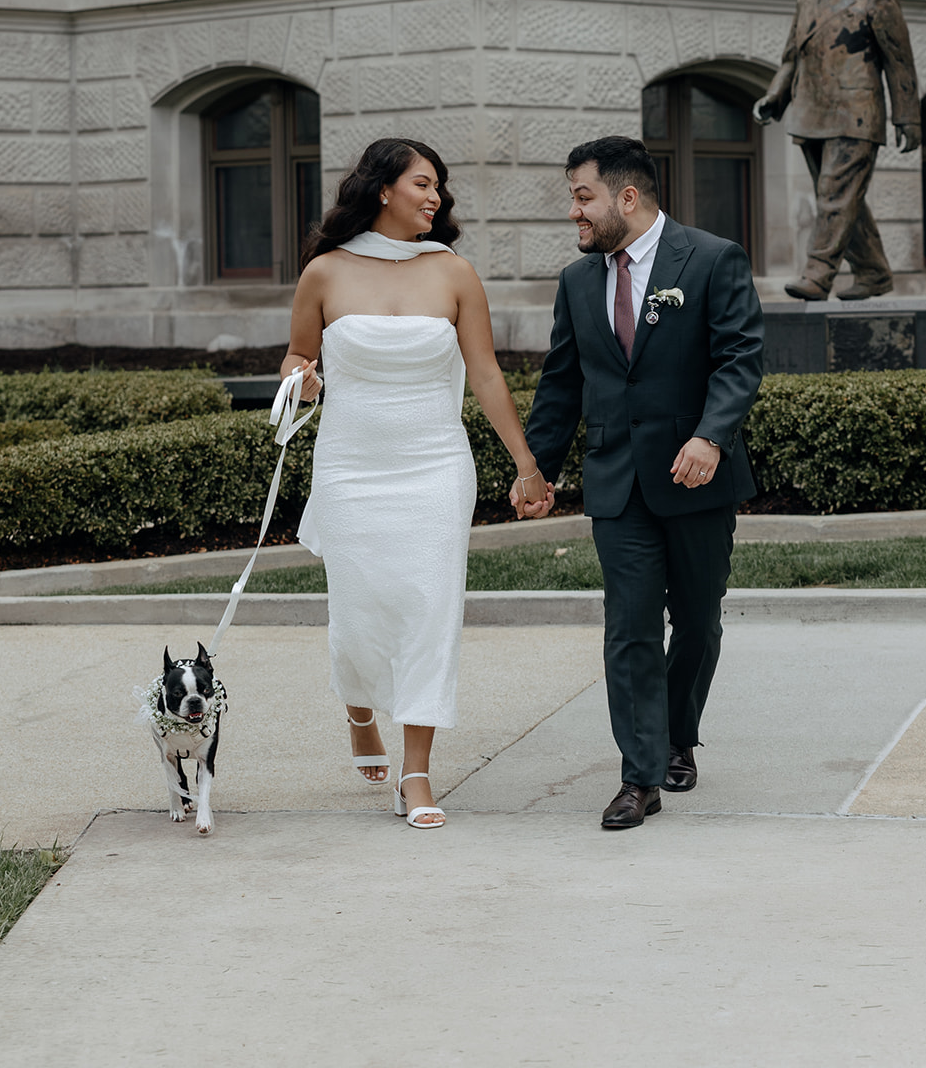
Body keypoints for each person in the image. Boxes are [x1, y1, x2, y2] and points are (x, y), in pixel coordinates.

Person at [280, 137, 553, 830]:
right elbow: (296, 356)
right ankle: (359, 709)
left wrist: (523, 462)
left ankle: (417, 772)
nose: (435, 198)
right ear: (382, 189)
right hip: (350, 465)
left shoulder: (453, 272)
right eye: (423, 184)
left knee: (430, 610)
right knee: (357, 613)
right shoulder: (323, 272)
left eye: (439, 187)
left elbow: (486, 374)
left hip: (433, 464)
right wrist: (300, 381)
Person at [518, 135, 764, 830]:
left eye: (582, 196)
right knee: (627, 628)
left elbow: (740, 359)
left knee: (694, 622)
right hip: (615, 482)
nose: (574, 212)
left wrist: (709, 435)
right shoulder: (576, 281)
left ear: (627, 197)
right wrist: (536, 469)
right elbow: (562, 384)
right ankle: (640, 775)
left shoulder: (712, 258)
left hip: (696, 479)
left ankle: (679, 735)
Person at [753, 0, 921, 301]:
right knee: (847, 201)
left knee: (834, 195)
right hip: (811, 114)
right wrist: (774, 97)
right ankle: (874, 273)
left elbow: (899, 61)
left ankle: (818, 274)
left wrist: (907, 116)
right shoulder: (805, 1)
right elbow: (790, 60)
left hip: (857, 115)